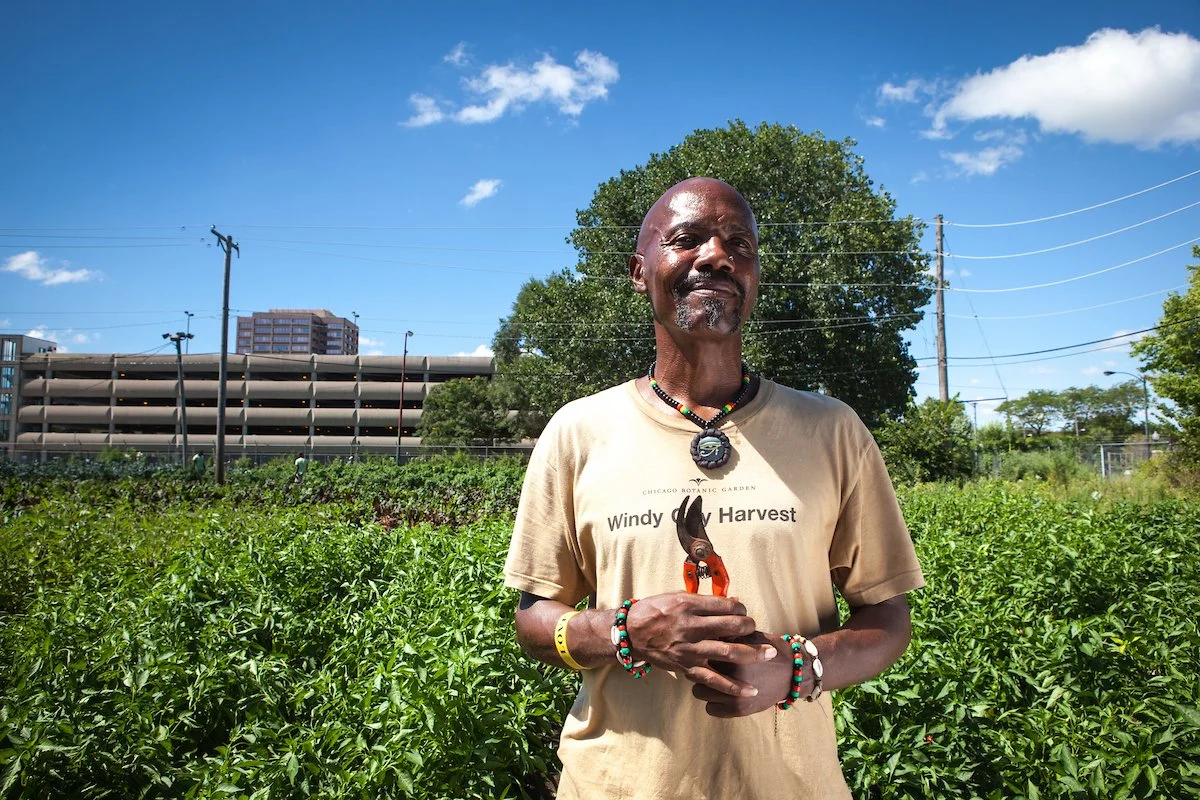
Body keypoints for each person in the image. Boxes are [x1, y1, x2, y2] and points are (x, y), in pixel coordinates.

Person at [503, 177, 924, 799]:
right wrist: (626, 632)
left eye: (739, 245)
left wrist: (799, 669)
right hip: (618, 785)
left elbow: (887, 616)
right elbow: (535, 619)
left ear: (753, 277)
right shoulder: (578, 431)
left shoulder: (831, 429)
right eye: (686, 239)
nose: (715, 256)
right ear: (639, 271)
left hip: (793, 786)